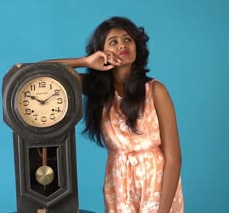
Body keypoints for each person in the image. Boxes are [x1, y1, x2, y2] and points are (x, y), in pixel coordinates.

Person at [45, 16, 183, 213]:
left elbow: (174, 157)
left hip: (157, 184)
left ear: (137, 46)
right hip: (118, 183)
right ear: (101, 51)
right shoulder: (95, 89)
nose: (122, 45)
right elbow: (39, 72)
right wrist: (84, 61)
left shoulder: (155, 91)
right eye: (113, 42)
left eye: (128, 39)